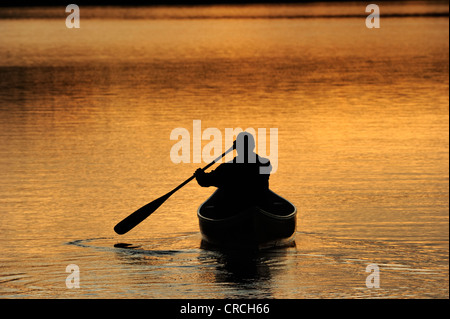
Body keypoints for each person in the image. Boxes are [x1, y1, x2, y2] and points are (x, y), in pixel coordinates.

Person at [194, 132, 272, 215]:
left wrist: (200, 175)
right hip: (261, 206)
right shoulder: (265, 164)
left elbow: (205, 181)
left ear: (237, 148)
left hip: (232, 210)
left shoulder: (227, 168)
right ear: (253, 146)